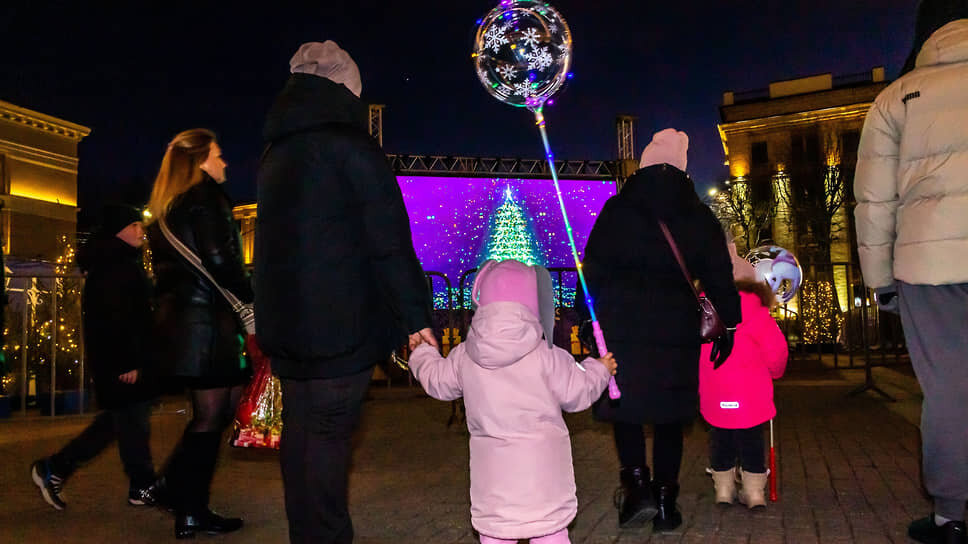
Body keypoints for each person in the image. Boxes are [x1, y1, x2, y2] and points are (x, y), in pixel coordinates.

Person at [254, 41, 436, 544]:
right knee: (329, 435)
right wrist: (415, 318)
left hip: (286, 321)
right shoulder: (352, 147)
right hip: (340, 322)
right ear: (344, 89)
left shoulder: (275, 153)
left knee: (301, 431)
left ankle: (306, 534)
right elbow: (388, 241)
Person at [578, 128, 741, 531]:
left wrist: (585, 317)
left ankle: (637, 490)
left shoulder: (617, 209)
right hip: (675, 327)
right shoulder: (696, 213)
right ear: (682, 167)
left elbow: (593, 267)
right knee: (670, 413)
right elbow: (718, 271)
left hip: (621, 324)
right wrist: (729, 320)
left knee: (626, 406)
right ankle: (667, 503)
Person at [854, 1, 968, 542]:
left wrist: (881, 282)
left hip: (928, 266)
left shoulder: (897, 97)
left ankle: (951, 516)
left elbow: (875, 203)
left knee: (948, 389)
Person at [408, 259, 617, 544]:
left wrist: (422, 354)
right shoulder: (547, 356)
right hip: (545, 482)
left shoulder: (465, 356)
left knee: (496, 535)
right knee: (550, 533)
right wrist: (600, 369)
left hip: (494, 487)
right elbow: (577, 391)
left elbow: (438, 380)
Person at [145, 128, 251, 539]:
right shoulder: (207, 198)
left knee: (215, 413)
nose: (224, 162)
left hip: (185, 328)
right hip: (210, 328)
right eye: (218, 155)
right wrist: (252, 296)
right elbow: (223, 262)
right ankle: (190, 507)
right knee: (211, 416)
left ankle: (175, 490)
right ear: (201, 159)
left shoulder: (167, 209)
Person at [31, 204, 158, 510]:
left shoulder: (119, 261)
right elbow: (115, 318)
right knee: (130, 419)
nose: (141, 230)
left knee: (120, 421)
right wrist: (127, 362)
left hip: (121, 358)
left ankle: (56, 468)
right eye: (134, 225)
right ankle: (141, 484)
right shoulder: (115, 265)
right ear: (119, 231)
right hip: (121, 360)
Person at [699, 243, 788, 509]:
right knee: (751, 440)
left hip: (715, 391)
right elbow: (776, 351)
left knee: (721, 437)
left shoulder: (703, 313)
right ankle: (754, 492)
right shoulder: (758, 312)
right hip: (751, 393)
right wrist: (776, 372)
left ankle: (723, 489)